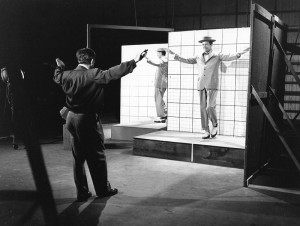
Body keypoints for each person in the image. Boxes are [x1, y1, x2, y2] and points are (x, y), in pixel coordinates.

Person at [54, 48, 146, 201]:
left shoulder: (67, 74)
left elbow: (57, 76)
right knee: (97, 156)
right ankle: (103, 190)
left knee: (78, 157)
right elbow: (112, 73)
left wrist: (60, 66)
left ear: (78, 60)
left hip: (70, 118)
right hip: (87, 120)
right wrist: (134, 61)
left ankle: (82, 192)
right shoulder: (93, 74)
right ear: (92, 61)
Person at [167, 36, 249, 139]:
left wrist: (241, 52)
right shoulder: (198, 56)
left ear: (211, 45)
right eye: (202, 44)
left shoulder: (217, 55)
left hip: (212, 84)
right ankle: (205, 130)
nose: (204, 46)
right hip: (201, 84)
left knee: (210, 107)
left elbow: (229, 56)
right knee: (202, 108)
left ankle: (214, 125)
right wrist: (174, 54)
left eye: (206, 44)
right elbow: (187, 60)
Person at [145, 48, 168, 123]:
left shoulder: (164, 59)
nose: (157, 54)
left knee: (158, 99)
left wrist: (148, 59)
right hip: (161, 83)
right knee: (159, 98)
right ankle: (164, 113)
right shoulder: (164, 59)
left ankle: (162, 116)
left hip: (160, 83)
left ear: (161, 53)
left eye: (158, 53)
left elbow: (158, 64)